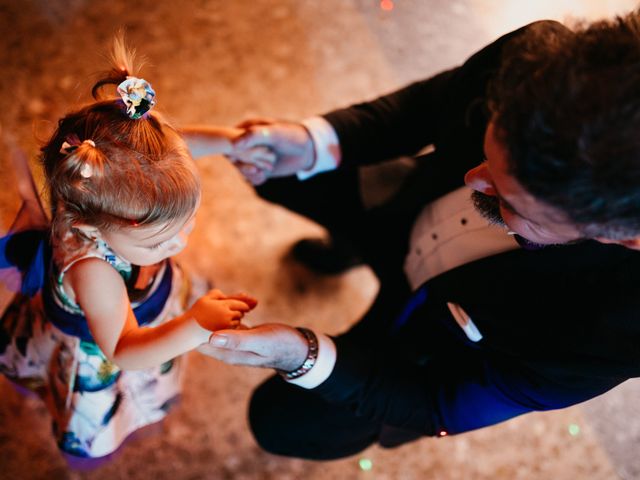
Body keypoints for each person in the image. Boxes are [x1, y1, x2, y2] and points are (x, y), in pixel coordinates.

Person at [192, 10, 640, 460]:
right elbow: (423, 109)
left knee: (285, 423)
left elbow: (438, 403)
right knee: (270, 159)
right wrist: (312, 142)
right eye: (489, 147)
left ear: (621, 237)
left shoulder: (615, 331)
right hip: (403, 207)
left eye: (508, 199)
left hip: (426, 335)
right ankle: (350, 246)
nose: (471, 181)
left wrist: (303, 356)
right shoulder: (538, 65)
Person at [0, 36, 257, 460]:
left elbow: (178, 145)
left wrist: (230, 142)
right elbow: (122, 350)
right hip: (110, 340)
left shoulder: (111, 182)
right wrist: (194, 324)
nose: (181, 243)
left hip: (142, 295)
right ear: (91, 227)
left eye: (188, 224)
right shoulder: (93, 272)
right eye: (160, 240)